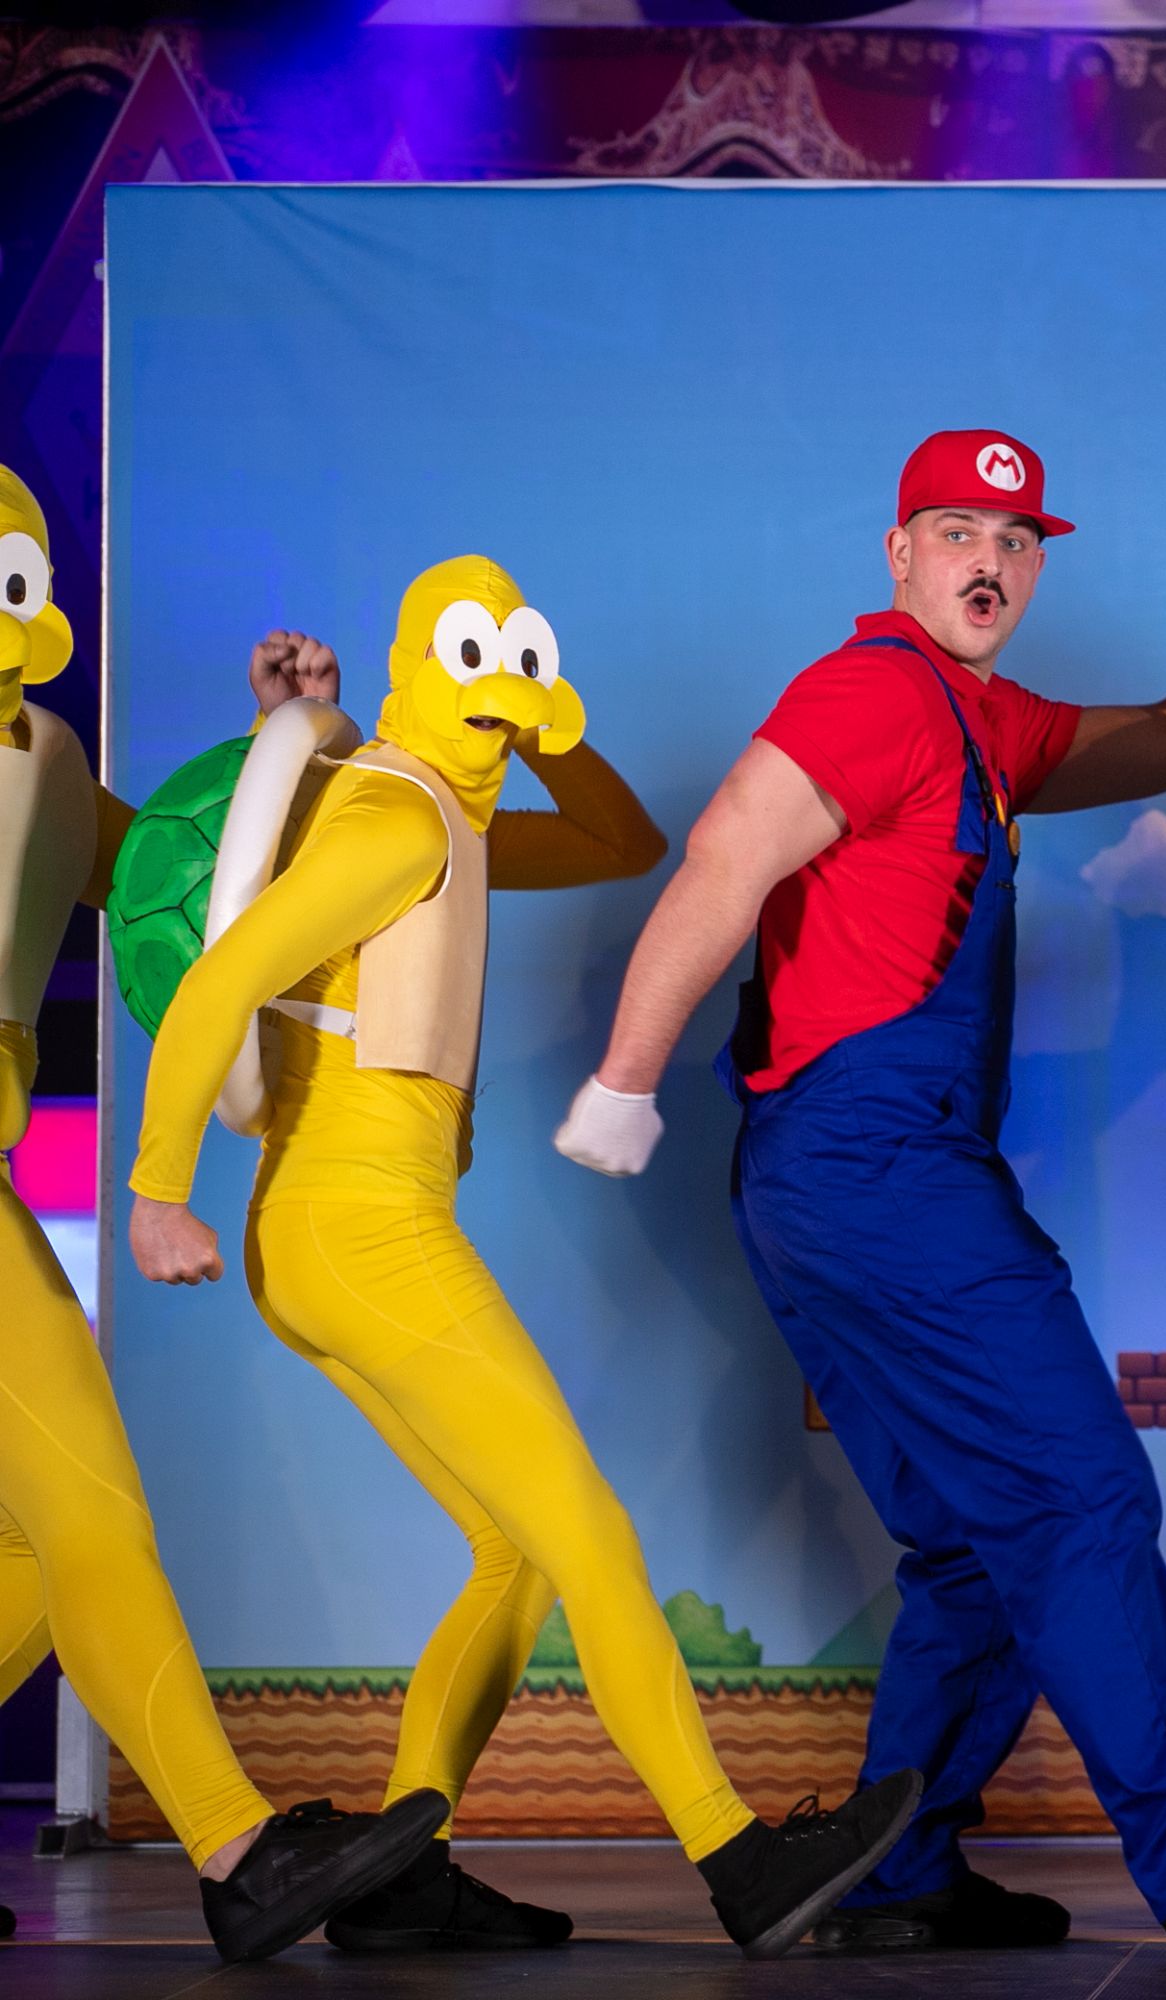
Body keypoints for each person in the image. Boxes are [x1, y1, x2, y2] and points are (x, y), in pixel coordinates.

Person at [557, 430, 1166, 1958]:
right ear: (900, 552)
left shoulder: (978, 715)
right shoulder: (873, 693)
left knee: (971, 1545)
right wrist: (625, 1079)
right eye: (959, 530)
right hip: (877, 1161)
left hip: (837, 1176)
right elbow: (726, 853)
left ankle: (899, 1876)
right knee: (1077, 1493)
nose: (992, 561)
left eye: (1019, 542)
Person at [128, 559, 920, 1961]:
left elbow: (620, 838)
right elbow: (220, 976)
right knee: (587, 1533)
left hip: (340, 1233)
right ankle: (737, 1860)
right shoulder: (395, 817)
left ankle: (401, 1879)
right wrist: (155, 1193)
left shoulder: (448, 816)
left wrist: (546, 721)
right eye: (476, 662)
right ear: (422, 668)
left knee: (517, 1555)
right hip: (360, 1225)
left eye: (523, 662)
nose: (502, 692)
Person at [3, 470, 451, 1961]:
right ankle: (237, 1849)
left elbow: (164, 885)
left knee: (34, 1555)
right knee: (85, 1513)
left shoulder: (40, 757)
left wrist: (278, 752)